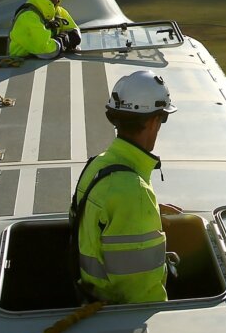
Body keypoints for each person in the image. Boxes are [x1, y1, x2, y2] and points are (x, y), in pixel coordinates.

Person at [71, 71, 180, 304]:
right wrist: (140, 208)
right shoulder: (134, 193)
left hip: (93, 299)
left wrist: (148, 213)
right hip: (119, 313)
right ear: (153, 121)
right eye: (162, 119)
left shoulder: (97, 165)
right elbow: (142, 293)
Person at [9, 0, 81, 59]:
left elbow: (75, 33)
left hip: (45, 65)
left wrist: (63, 40)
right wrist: (65, 40)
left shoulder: (58, 11)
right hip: (22, 66)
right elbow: (46, 51)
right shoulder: (27, 16)